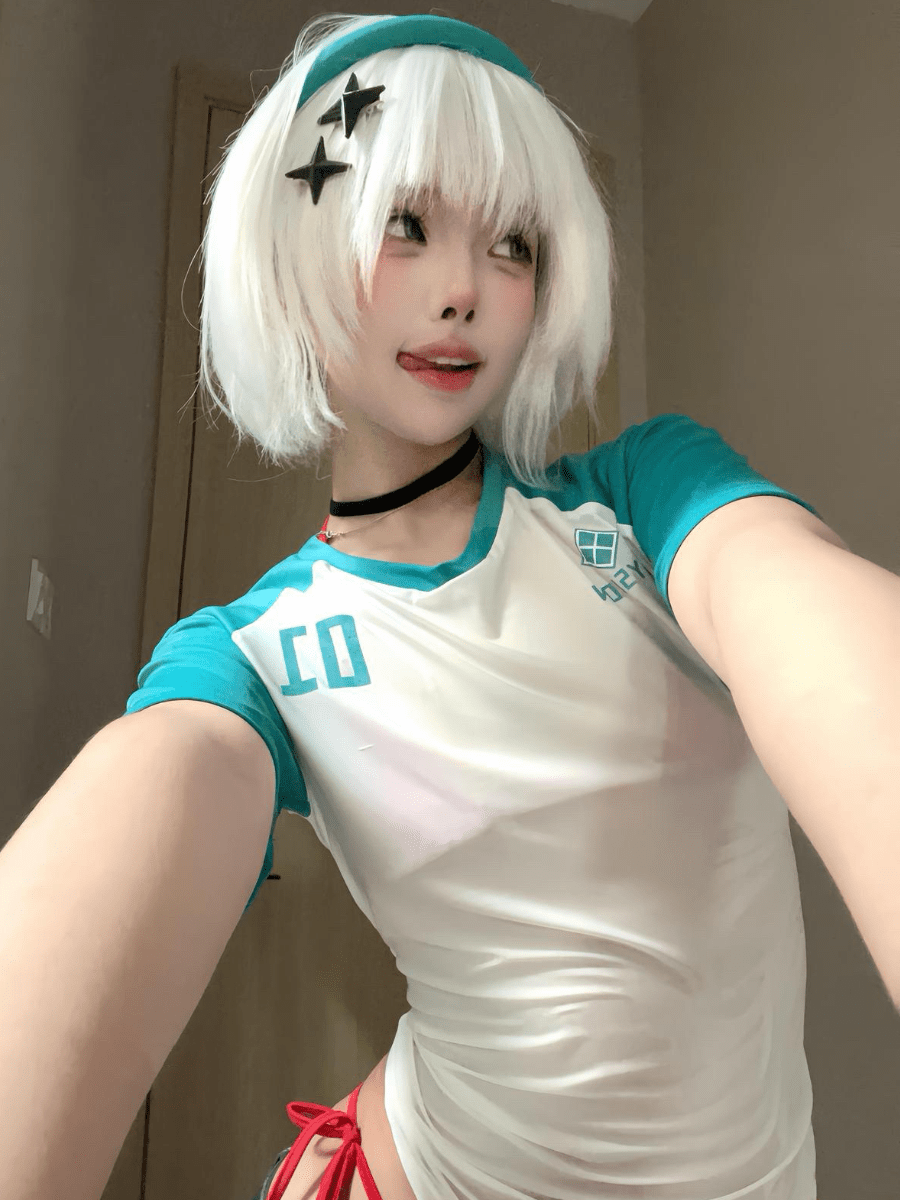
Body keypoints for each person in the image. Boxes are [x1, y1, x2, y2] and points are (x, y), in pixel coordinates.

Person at [4, 12, 845, 1200]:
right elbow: (156, 787)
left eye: (512, 242)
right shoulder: (253, 654)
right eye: (406, 225)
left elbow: (821, 627)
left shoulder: (645, 500)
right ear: (297, 250)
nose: (463, 292)